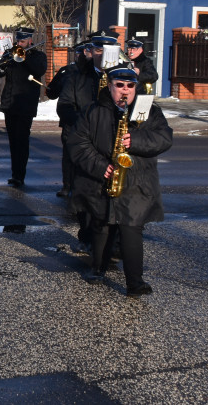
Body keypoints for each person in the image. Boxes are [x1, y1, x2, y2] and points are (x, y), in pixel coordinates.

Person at [69, 65, 172, 296]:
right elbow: (77, 144)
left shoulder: (150, 111)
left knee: (131, 230)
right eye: (119, 85)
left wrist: (134, 140)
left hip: (137, 182)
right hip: (102, 180)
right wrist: (99, 166)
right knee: (101, 226)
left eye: (130, 86)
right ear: (110, 86)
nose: (125, 90)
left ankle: (135, 283)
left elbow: (164, 139)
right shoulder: (92, 111)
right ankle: (97, 269)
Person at [57, 33, 114, 244]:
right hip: (85, 140)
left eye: (109, 50)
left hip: (111, 143)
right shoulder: (77, 76)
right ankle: (88, 235)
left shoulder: (123, 77)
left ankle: (110, 242)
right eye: (99, 50)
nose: (104, 55)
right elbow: (64, 106)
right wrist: (84, 124)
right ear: (92, 52)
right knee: (85, 193)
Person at [0, 27, 48, 187]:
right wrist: (4, 63)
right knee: (12, 140)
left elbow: (40, 70)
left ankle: (19, 175)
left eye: (22, 41)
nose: (19, 44)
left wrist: (24, 58)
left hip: (25, 104)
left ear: (30, 40)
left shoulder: (38, 55)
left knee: (22, 140)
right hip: (9, 103)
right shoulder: (11, 53)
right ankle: (14, 173)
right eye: (18, 41)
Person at [47, 40, 88, 198]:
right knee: (69, 155)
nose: (80, 56)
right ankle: (67, 185)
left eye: (82, 53)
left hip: (85, 119)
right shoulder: (67, 71)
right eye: (78, 53)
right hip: (70, 118)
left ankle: (76, 186)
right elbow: (52, 93)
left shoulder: (89, 73)